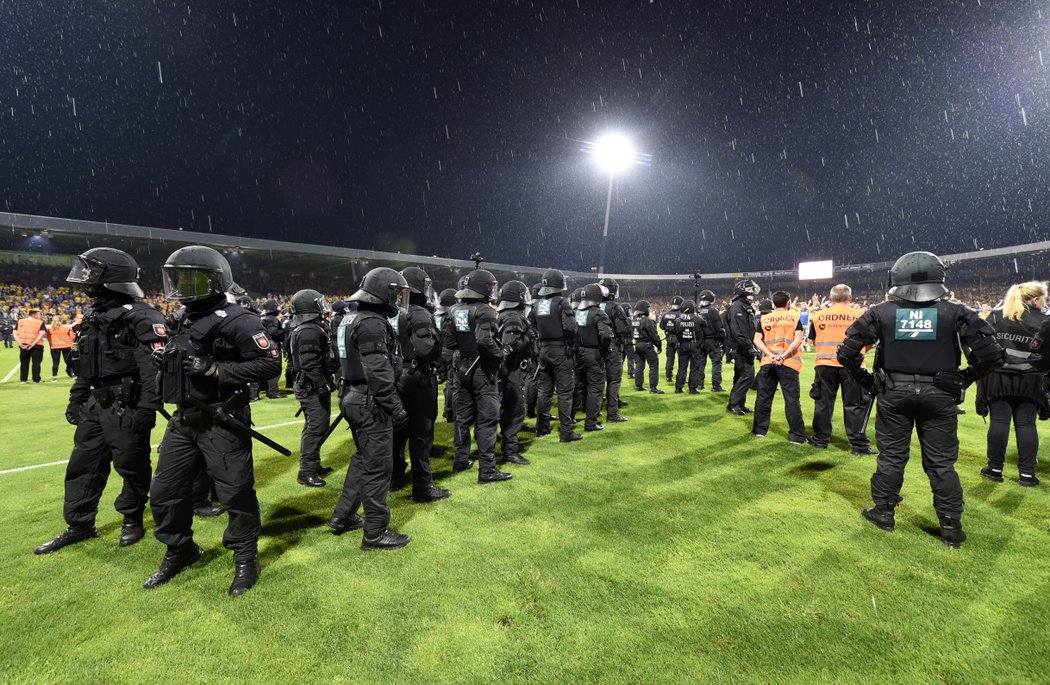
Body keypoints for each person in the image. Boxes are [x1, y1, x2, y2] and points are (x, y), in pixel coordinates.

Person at [838, 251, 1004, 548]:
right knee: (941, 463)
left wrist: (866, 380)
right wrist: (964, 378)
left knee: (891, 456)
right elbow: (992, 355)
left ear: (896, 279)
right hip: (939, 393)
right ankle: (951, 525)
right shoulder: (957, 312)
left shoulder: (880, 312)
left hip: (894, 393)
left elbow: (847, 353)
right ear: (937, 277)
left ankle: (884, 512)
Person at [146, 245, 281, 596]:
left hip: (222, 418)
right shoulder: (181, 317)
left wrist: (218, 369)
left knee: (235, 492)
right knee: (164, 492)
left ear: (212, 280)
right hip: (184, 420)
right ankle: (180, 550)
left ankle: (245, 557)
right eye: (176, 278)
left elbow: (270, 364)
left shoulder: (240, 319)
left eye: (188, 278)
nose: (179, 285)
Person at [34, 248, 167, 555]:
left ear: (110, 277)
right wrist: (77, 397)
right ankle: (79, 524)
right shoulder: (95, 315)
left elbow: (153, 369)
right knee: (83, 465)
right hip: (96, 403)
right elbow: (87, 364)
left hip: (127, 403)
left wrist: (148, 408)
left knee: (131, 466)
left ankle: (132, 518)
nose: (84, 279)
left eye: (91, 272)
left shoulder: (142, 315)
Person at [330, 268, 414, 548]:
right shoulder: (372, 323)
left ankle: (343, 515)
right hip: (370, 402)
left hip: (352, 397)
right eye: (394, 294)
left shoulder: (349, 318)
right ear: (381, 293)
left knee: (363, 460)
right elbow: (378, 373)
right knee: (379, 466)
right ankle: (375, 532)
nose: (397, 300)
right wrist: (396, 409)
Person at [443, 269, 514, 480]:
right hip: (483, 370)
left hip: (461, 368)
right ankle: (487, 470)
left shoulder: (454, 309)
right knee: (487, 420)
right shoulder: (485, 310)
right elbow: (485, 341)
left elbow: (449, 343)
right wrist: (500, 354)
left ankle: (460, 460)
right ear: (482, 287)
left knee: (462, 418)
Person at [976, 281, 1048, 487]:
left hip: (998, 377)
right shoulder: (1044, 321)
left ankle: (995, 469)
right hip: (1030, 378)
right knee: (1026, 423)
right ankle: (1027, 474)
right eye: (1045, 297)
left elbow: (980, 344)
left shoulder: (998, 316)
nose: (1046, 301)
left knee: (999, 421)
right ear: (1035, 299)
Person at [390, 267, 452, 502]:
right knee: (421, 434)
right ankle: (423, 487)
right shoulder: (419, 313)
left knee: (397, 432)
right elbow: (425, 349)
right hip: (417, 378)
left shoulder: (392, 312)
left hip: (396, 376)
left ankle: (395, 477)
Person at [808, 284, 876, 455]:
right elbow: (870, 342)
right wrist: (856, 353)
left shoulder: (818, 316)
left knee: (823, 404)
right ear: (850, 298)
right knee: (854, 405)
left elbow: (814, 341)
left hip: (824, 364)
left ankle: (820, 440)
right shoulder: (860, 316)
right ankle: (859, 446)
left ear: (830, 299)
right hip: (852, 366)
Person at [288, 288, 336, 487]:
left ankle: (313, 465)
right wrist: (321, 385)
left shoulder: (308, 328)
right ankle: (306, 471)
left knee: (316, 427)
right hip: (310, 385)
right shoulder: (308, 330)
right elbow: (309, 364)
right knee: (316, 428)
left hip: (309, 384)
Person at [530, 269, 582, 442]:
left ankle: (541, 428)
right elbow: (570, 328)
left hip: (543, 351)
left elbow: (531, 325)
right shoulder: (562, 302)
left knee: (544, 391)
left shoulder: (537, 305)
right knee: (565, 392)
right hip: (561, 350)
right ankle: (566, 432)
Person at [751, 291, 807, 443]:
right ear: (789, 302)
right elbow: (798, 340)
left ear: (773, 303)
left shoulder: (764, 318)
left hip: (768, 362)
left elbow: (757, 340)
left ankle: (759, 430)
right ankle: (796, 436)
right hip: (788, 362)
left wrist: (769, 354)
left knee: (763, 398)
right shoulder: (795, 317)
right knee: (791, 400)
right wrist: (783, 355)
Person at [495, 280, 535, 464]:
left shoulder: (501, 314)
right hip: (511, 368)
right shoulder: (512, 317)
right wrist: (526, 342)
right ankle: (510, 450)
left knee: (503, 407)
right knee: (515, 409)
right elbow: (509, 343)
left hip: (502, 369)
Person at [573, 283, 614, 430]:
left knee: (578, 387)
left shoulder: (576, 311)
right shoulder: (598, 313)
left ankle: (570, 419)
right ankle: (590, 423)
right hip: (593, 354)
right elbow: (606, 336)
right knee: (595, 389)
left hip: (577, 354)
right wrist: (605, 351)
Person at [726, 280, 761, 414]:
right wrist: (750, 346)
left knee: (740, 375)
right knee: (748, 376)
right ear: (742, 290)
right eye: (749, 289)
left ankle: (740, 404)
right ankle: (733, 403)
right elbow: (738, 332)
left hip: (745, 347)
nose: (752, 292)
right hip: (741, 348)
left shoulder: (745, 306)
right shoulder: (737, 307)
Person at [598, 277, 629, 422]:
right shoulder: (615, 307)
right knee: (613, 380)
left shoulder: (594, 305)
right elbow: (623, 329)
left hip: (596, 348)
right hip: (612, 346)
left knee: (596, 381)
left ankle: (595, 409)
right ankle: (612, 413)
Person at [434, 288, 458, 424]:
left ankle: (447, 411)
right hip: (450, 351)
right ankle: (450, 412)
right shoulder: (450, 315)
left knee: (447, 384)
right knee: (453, 384)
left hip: (440, 351)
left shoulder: (435, 315)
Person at [696, 290, 726, 392]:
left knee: (700, 363)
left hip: (700, 341)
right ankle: (716, 386)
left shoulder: (697, 311)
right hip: (712, 341)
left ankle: (699, 384)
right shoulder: (713, 311)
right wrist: (722, 339)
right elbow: (720, 328)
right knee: (716, 363)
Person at [631, 300, 663, 394]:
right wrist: (659, 345)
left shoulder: (634, 321)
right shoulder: (647, 322)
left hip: (637, 345)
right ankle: (653, 388)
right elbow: (654, 336)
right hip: (646, 345)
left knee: (639, 366)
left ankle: (639, 385)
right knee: (653, 365)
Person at [674, 300, 702, 394]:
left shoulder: (677, 320)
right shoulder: (698, 319)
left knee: (682, 367)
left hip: (682, 345)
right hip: (694, 344)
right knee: (694, 367)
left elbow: (676, 333)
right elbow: (705, 326)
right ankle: (692, 389)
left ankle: (678, 388)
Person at [259, 300, 286, 398]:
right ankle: (273, 392)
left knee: (266, 369)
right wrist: (283, 332)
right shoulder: (272, 319)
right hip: (272, 347)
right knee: (275, 369)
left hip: (263, 347)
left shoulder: (262, 318)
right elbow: (273, 332)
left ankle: (267, 390)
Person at [17, 308, 48, 383]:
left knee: (24, 363)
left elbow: (15, 333)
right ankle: (36, 379)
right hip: (37, 346)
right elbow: (42, 334)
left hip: (23, 345)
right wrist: (33, 344)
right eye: (39, 314)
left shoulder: (20, 321)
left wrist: (20, 344)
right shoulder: (39, 322)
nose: (40, 315)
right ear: (34, 314)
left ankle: (23, 380)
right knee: (36, 363)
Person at [660, 296, 683, 383]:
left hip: (669, 338)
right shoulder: (680, 314)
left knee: (670, 359)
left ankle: (668, 376)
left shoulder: (665, 314)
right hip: (678, 338)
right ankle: (681, 378)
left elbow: (661, 326)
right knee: (682, 359)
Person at [47, 315, 76, 381]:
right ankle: (73, 375)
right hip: (66, 346)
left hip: (54, 347)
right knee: (69, 362)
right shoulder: (66, 328)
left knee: (55, 362)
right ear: (61, 320)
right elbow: (72, 337)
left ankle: (54, 377)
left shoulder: (50, 329)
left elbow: (49, 339)